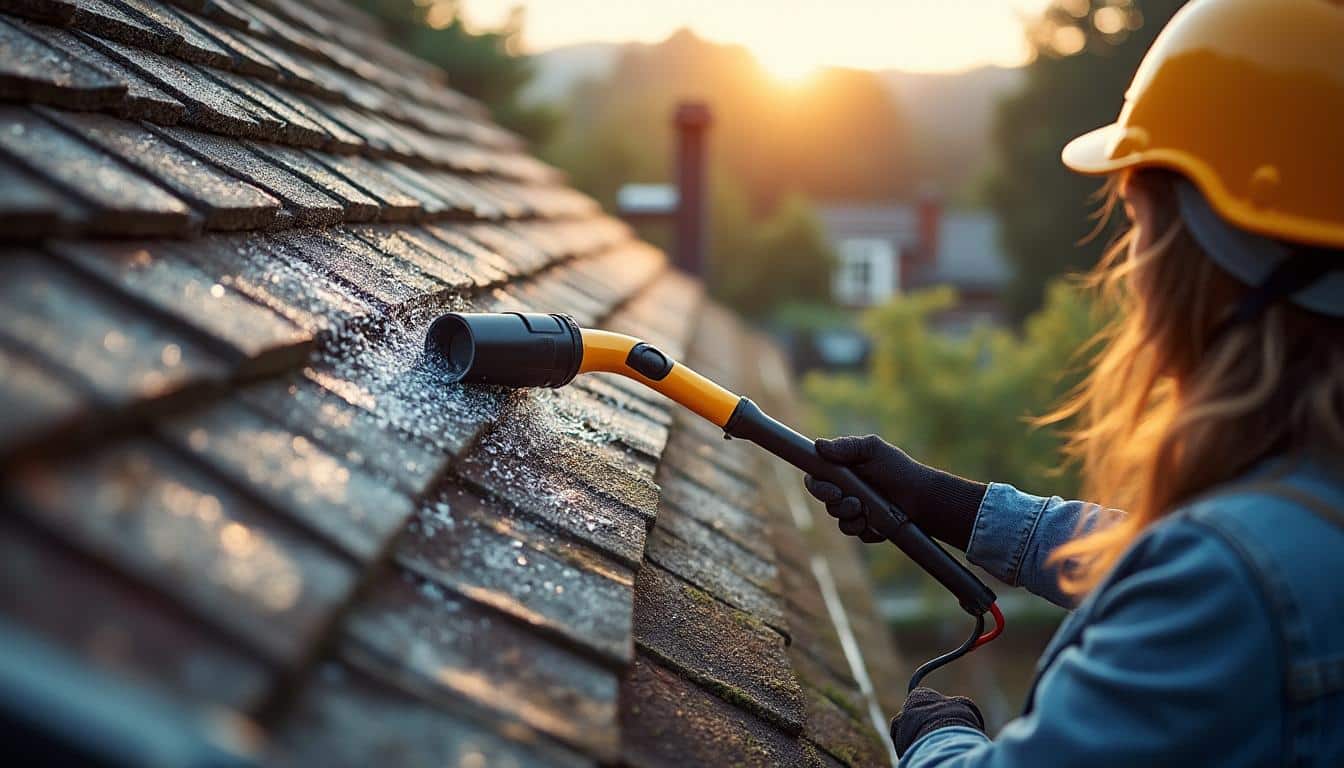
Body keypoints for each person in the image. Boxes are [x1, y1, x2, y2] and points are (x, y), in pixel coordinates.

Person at [803, 1, 1344, 765]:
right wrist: (948, 504)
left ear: (1209, 251)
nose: (1131, 264)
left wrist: (941, 737)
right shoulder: (1302, 508)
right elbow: (1172, 559)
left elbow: (1218, 580)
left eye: (1139, 219)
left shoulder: (1233, 581)